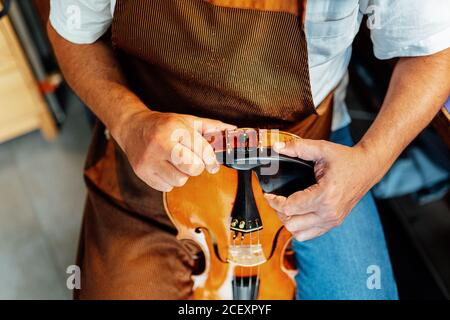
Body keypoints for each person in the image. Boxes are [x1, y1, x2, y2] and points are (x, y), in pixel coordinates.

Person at [48, 0, 450, 299]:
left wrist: (370, 161)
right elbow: (72, 34)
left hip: (305, 149)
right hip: (151, 146)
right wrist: (128, 120)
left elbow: (435, 51)